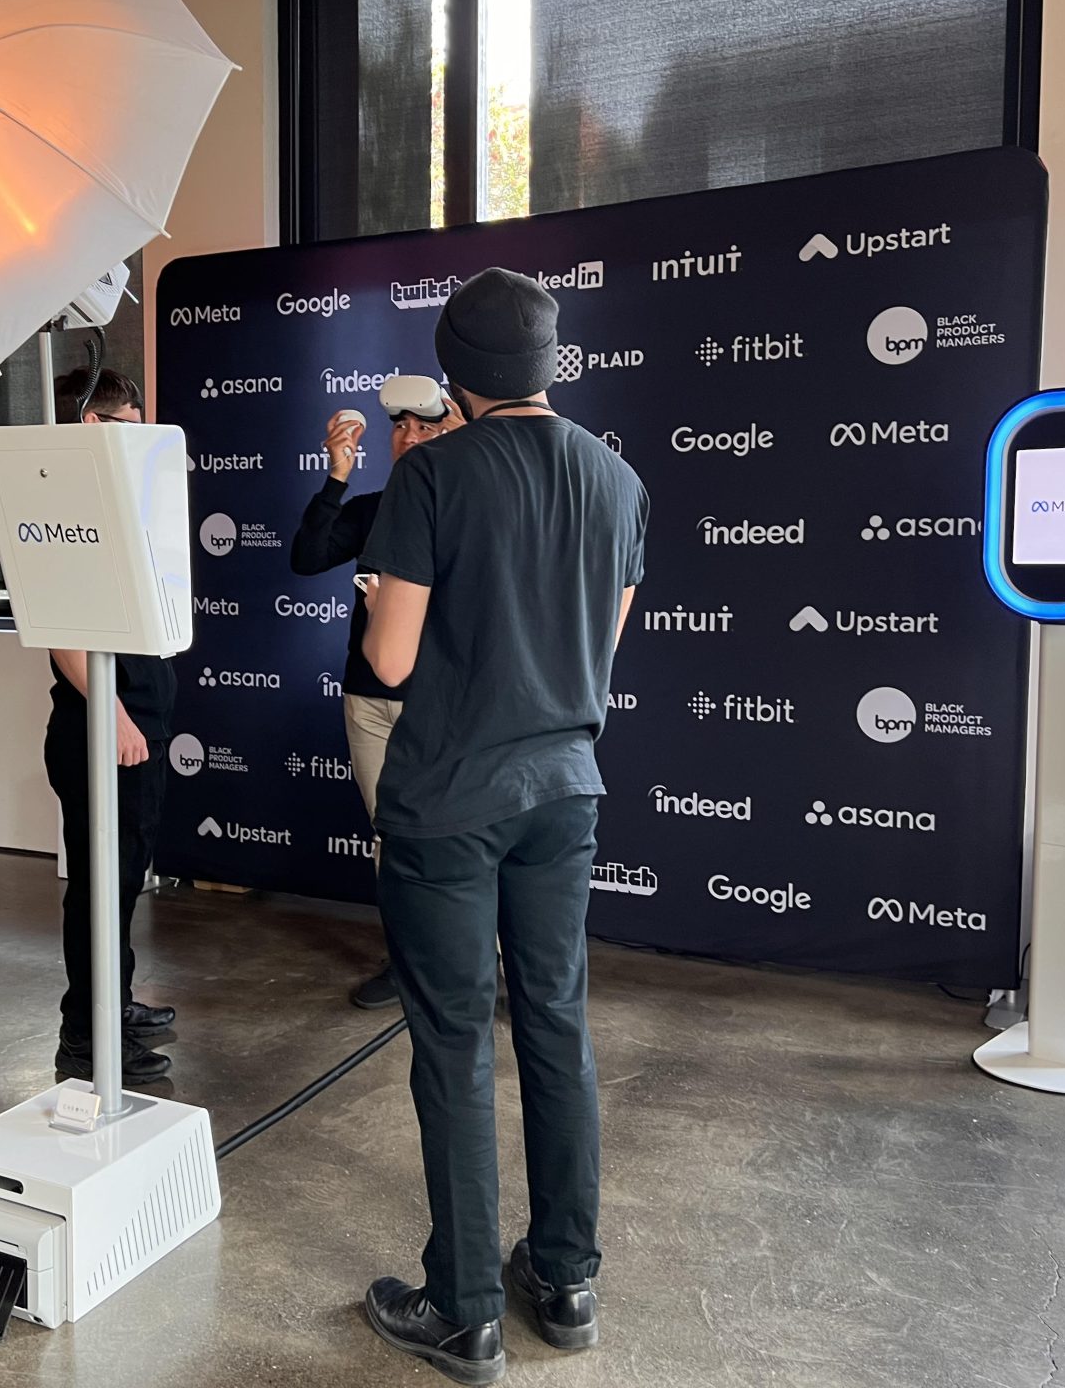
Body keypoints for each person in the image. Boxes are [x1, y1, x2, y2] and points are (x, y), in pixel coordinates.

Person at [355, 269, 649, 1384]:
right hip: (565, 789)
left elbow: (389, 660)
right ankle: (565, 1281)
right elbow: (600, 646)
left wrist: (396, 605)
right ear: (546, 362)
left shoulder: (432, 475)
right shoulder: (618, 480)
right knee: (557, 1026)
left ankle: (464, 1307)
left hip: (448, 795)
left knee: (453, 1042)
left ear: (457, 375)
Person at [290, 391, 461, 1010]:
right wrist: (337, 476)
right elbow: (307, 557)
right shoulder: (373, 508)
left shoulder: (472, 508)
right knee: (392, 836)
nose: (409, 436)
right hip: (369, 702)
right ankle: (407, 961)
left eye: (426, 426)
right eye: (401, 426)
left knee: (458, 835)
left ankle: (476, 961)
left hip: (443, 704)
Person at [45, 366, 177, 1084]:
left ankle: (112, 1004)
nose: (139, 436)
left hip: (137, 730)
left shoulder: (114, 501)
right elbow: (61, 631)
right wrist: (117, 716)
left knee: (122, 883)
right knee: (99, 887)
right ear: (94, 424)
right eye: (130, 424)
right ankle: (84, 1036)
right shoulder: (62, 506)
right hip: (104, 733)